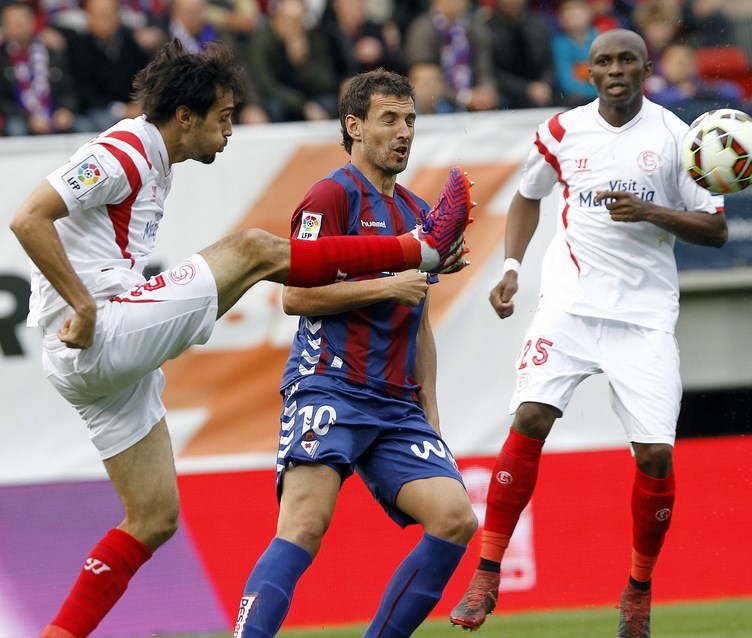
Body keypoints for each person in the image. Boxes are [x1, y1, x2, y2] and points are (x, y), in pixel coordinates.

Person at [9, 40, 472, 638]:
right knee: (251, 250)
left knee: (152, 517)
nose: (231, 132)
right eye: (224, 117)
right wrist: (80, 305)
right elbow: (28, 218)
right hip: (94, 329)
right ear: (186, 117)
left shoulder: (157, 165)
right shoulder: (125, 147)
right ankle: (419, 247)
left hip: (108, 361)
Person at [449, 28, 727, 638]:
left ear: (646, 67)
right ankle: (487, 571)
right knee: (529, 419)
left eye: (627, 59)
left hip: (646, 318)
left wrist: (650, 210)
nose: (615, 69)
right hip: (569, 307)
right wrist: (513, 268)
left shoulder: (678, 140)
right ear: (589, 72)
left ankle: (637, 590)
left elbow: (716, 229)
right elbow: (527, 198)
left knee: (655, 455)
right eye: (604, 61)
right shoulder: (561, 131)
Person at [234, 69, 479, 638]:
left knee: (454, 520)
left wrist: (430, 405)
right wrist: (387, 283)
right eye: (389, 119)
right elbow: (296, 294)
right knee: (305, 525)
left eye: (410, 120)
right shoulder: (330, 195)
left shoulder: (420, 214)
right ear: (354, 126)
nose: (403, 132)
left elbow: (417, 318)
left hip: (397, 406)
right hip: (329, 385)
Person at [63, 0, 151, 133]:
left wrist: (137, 104)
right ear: (89, 17)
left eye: (110, 14)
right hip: (96, 109)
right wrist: (119, 109)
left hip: (131, 106)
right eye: (101, 15)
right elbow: (84, 91)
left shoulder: (130, 44)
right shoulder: (79, 47)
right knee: (104, 122)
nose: (106, 20)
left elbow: (142, 77)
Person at [245, 0, 340, 122]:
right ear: (276, 19)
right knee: (274, 108)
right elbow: (266, 85)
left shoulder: (313, 38)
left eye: (298, 20)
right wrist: (302, 106)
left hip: (309, 96)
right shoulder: (261, 41)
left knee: (329, 103)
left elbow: (326, 82)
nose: (293, 26)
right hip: (281, 99)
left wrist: (303, 63)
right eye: (288, 19)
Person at [0, 0, 79, 136]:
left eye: (22, 20)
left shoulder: (51, 52)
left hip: (53, 115)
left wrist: (65, 109)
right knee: (16, 128)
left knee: (82, 126)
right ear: (5, 26)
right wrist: (28, 119)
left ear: (33, 23)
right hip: (19, 118)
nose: (18, 25)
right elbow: (3, 101)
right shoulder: (2, 58)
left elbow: (69, 88)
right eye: (13, 21)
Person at [404, 0, 499, 112]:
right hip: (439, 98)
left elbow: (485, 68)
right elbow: (422, 75)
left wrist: (486, 90)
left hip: (474, 95)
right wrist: (464, 97)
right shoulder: (422, 28)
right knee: (426, 86)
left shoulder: (477, 28)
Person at [485, 0, 554, 109]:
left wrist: (545, 84)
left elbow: (549, 63)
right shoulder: (488, 28)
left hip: (542, 89)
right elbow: (493, 71)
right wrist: (527, 88)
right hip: (507, 93)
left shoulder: (539, 24)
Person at [645, 39, 742, 112]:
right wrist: (685, 93)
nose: (681, 64)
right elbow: (659, 100)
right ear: (662, 64)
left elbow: (734, 92)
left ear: (695, 64)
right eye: (674, 60)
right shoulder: (656, 88)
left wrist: (698, 91)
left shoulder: (703, 87)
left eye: (686, 59)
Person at [551, 0, 599, 107]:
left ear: (588, 15)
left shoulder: (600, 38)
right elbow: (566, 81)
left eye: (576, 16)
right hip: (577, 97)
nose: (574, 21)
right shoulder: (560, 43)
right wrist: (598, 92)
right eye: (569, 17)